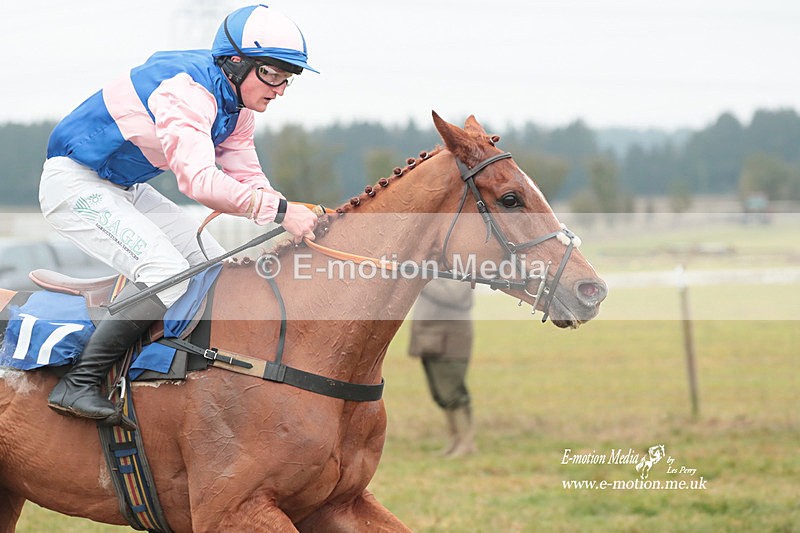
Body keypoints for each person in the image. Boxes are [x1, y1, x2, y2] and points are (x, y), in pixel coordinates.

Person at [39, 5, 319, 422]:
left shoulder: (237, 107)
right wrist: (281, 212)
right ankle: (79, 382)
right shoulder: (186, 92)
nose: (279, 88)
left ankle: (184, 376)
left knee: (216, 267)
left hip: (124, 188)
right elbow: (200, 183)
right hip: (74, 183)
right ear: (236, 63)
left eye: (287, 78)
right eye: (272, 74)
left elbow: (246, 174)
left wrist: (288, 210)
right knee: (166, 272)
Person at [408, 278, 476, 458]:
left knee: (454, 394)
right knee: (442, 395)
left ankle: (467, 443)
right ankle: (456, 441)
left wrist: (423, 279)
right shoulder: (437, 267)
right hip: (431, 340)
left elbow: (455, 295)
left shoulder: (460, 269)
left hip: (450, 341)